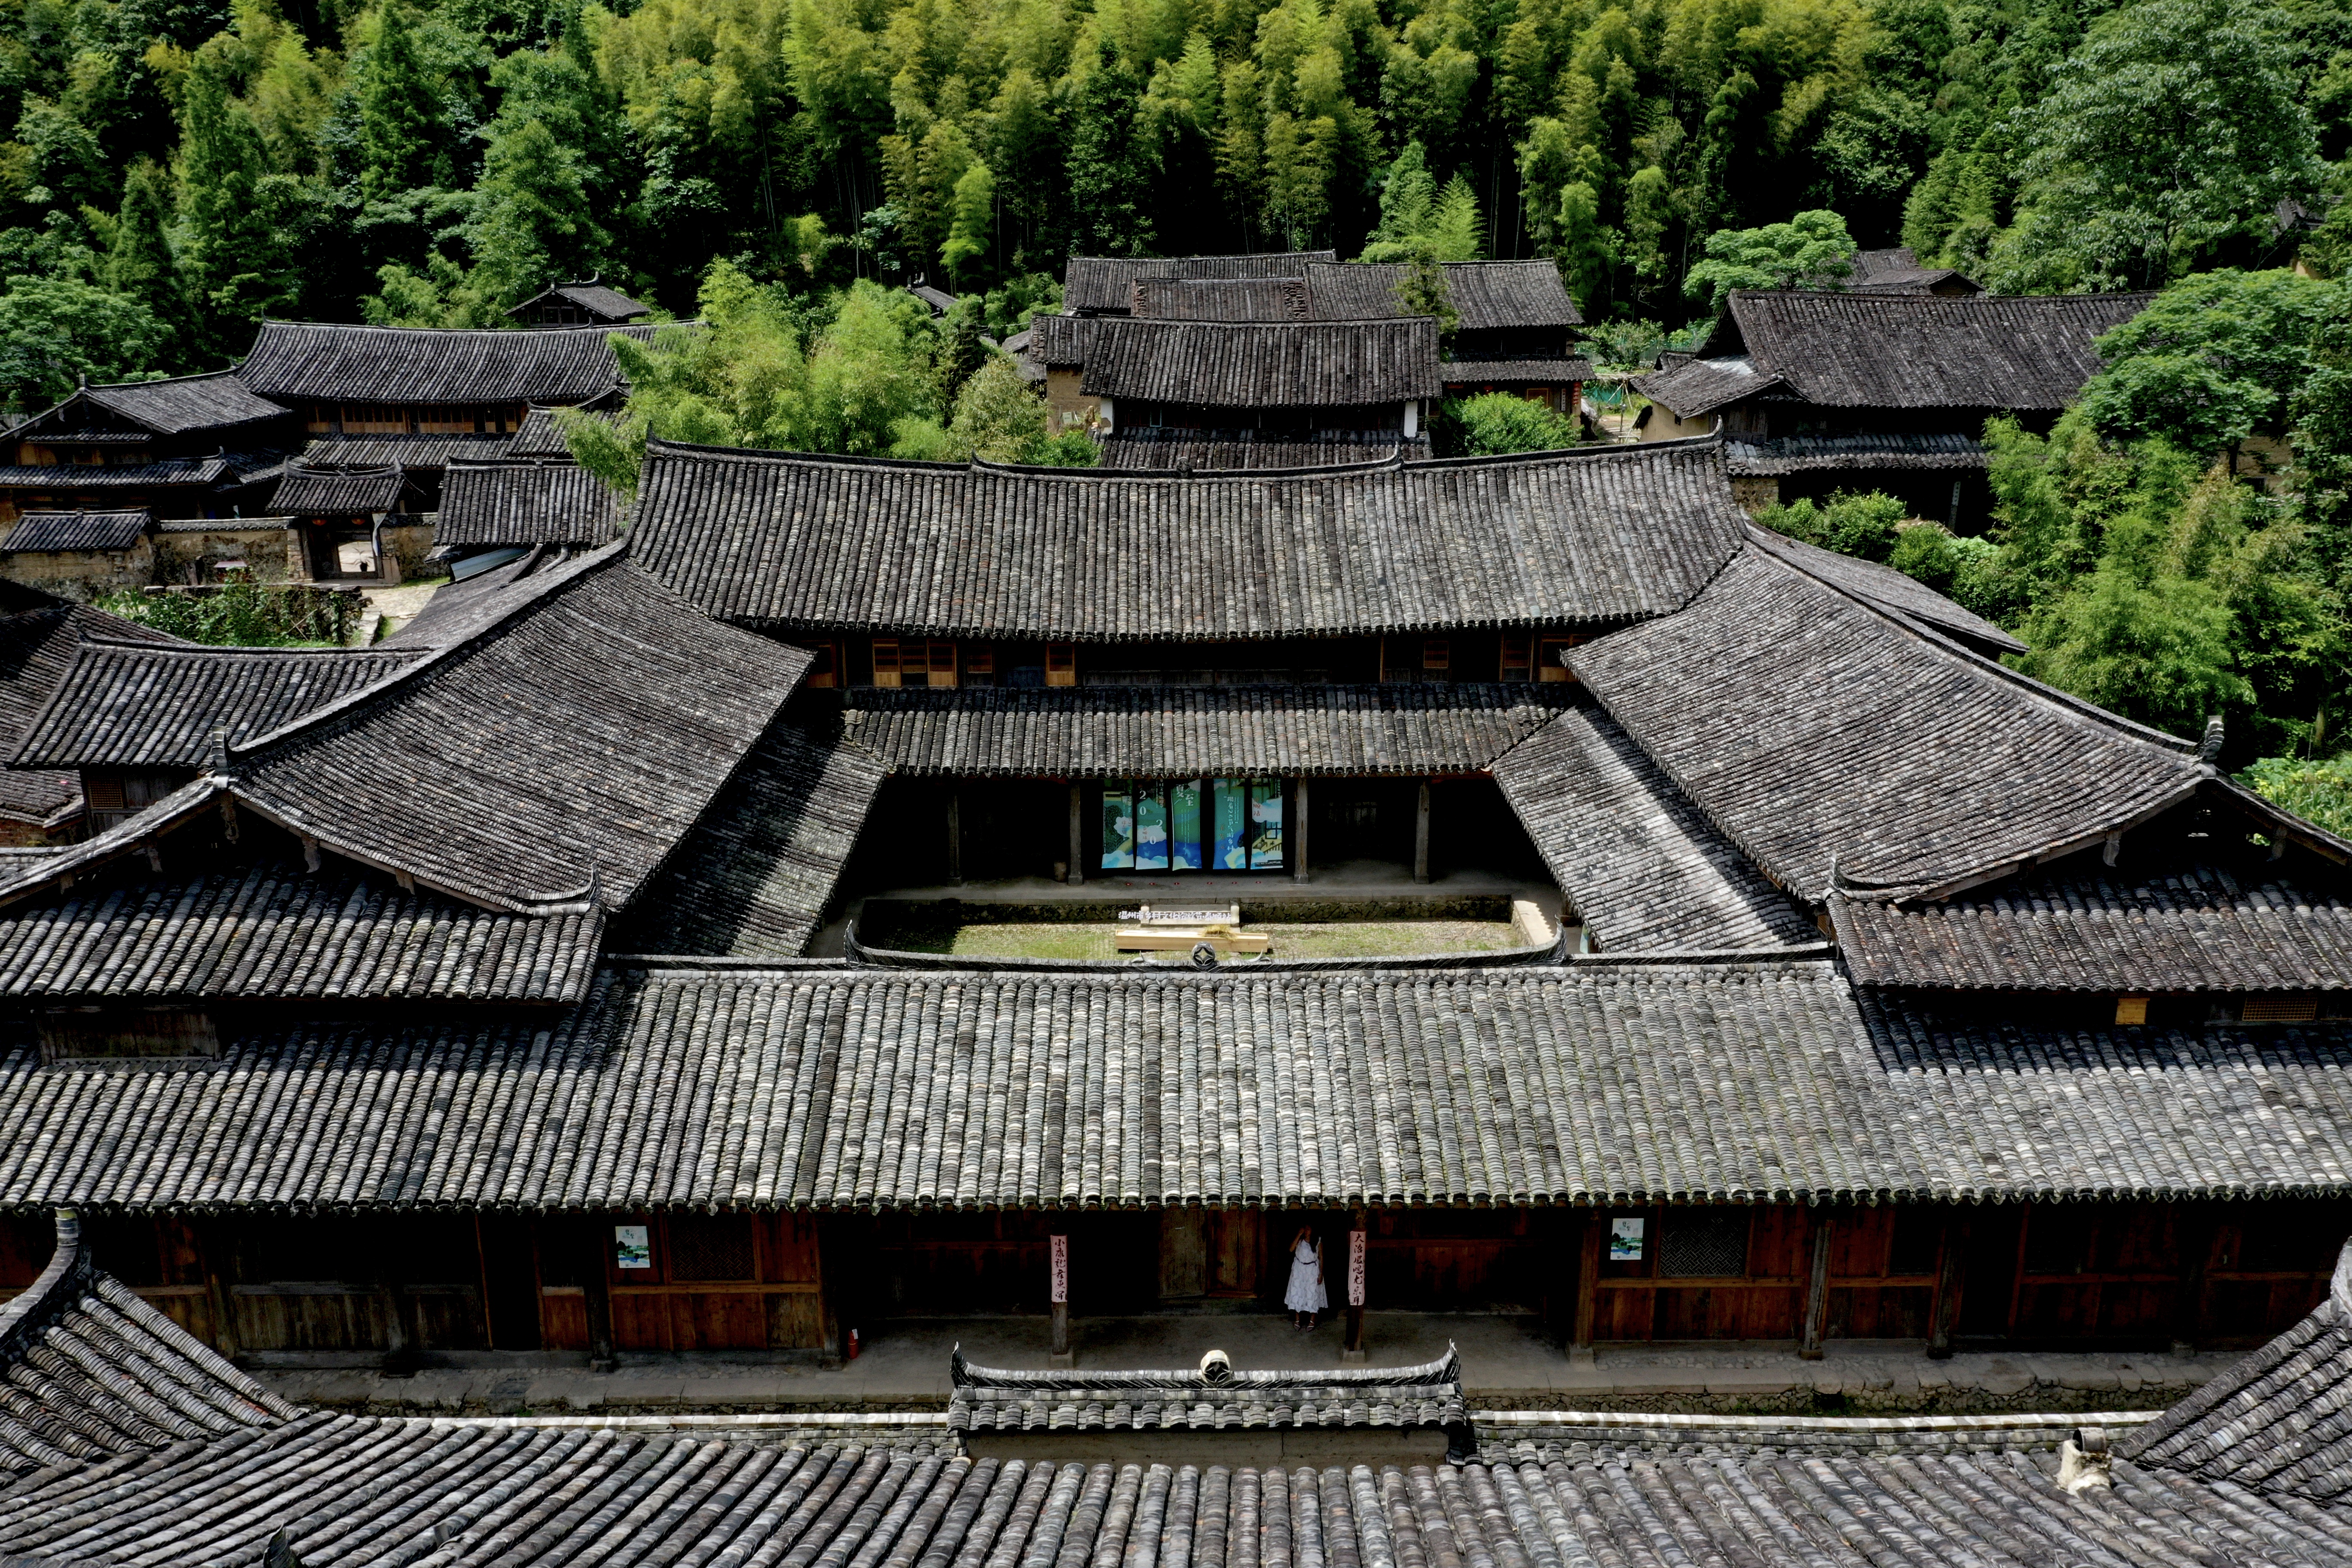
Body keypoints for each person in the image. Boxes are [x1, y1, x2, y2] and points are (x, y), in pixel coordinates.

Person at [1284, 1225, 1328, 1329]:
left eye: (1308, 1230)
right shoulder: (1299, 1240)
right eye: (1305, 1229)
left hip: (1312, 1270)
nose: (1306, 1232)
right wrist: (1299, 1234)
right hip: (1299, 1269)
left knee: (1312, 1294)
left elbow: (1321, 1258)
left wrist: (1321, 1274)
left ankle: (1313, 1319)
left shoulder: (1318, 1241)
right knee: (1297, 1293)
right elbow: (1291, 1250)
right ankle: (1297, 1319)